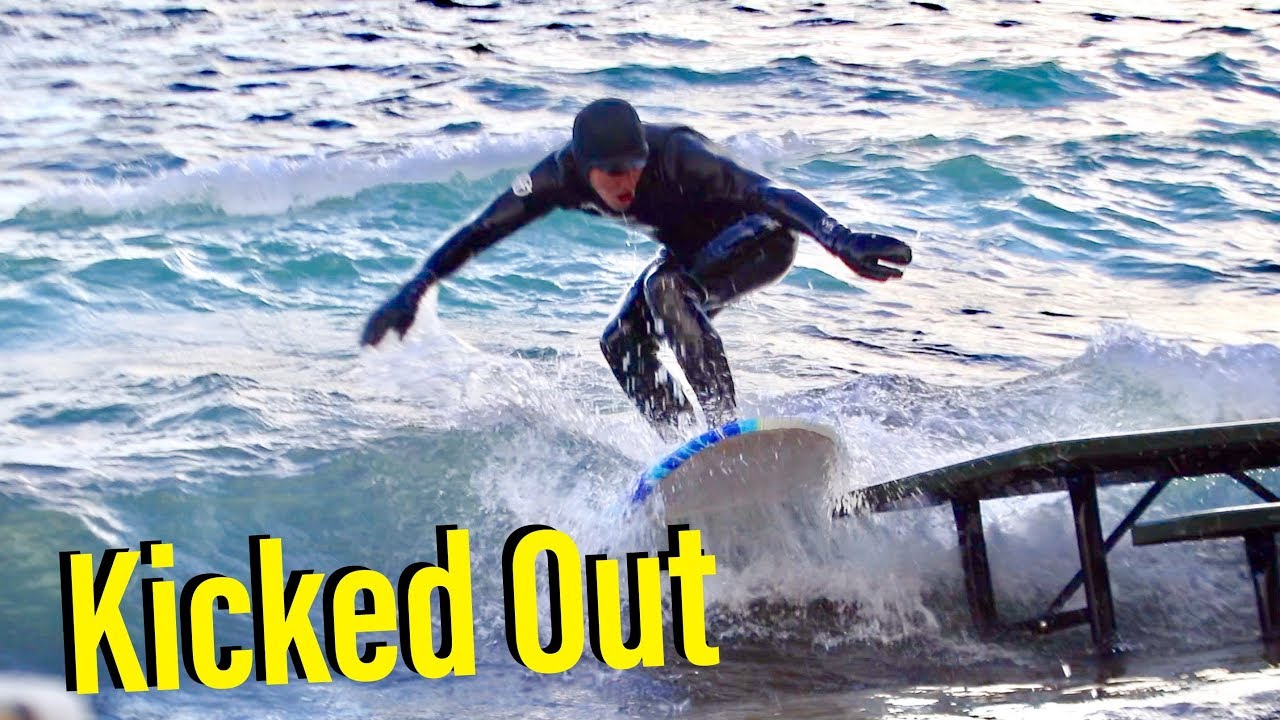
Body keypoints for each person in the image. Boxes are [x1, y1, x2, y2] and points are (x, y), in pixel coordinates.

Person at [362, 98, 912, 435]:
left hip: (761, 238)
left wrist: (838, 240)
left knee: (666, 288)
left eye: (634, 170)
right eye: (612, 175)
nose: (626, 185)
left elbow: (767, 191)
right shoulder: (556, 178)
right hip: (693, 257)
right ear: (582, 166)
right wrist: (418, 286)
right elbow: (484, 228)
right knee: (620, 340)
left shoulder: (675, 152)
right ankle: (684, 450)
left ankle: (725, 436)